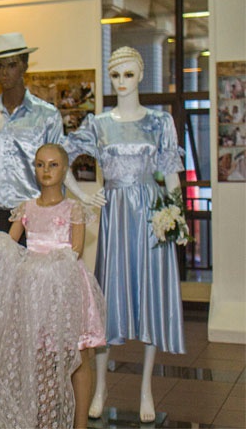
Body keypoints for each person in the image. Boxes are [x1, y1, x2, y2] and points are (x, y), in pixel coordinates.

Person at [62, 46, 186, 423]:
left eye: (128, 74)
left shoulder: (160, 122)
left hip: (151, 216)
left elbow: (172, 173)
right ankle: (101, 388)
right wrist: (83, 193)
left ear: (141, 75)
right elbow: (61, 155)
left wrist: (175, 216)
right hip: (115, 216)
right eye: (116, 75)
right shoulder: (99, 124)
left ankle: (146, 388)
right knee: (110, 300)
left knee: (150, 296)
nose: (122, 82)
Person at [0, 32, 104, 296]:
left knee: (36, 296)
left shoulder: (47, 116)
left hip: (37, 219)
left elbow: (59, 167)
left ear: (24, 64)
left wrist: (62, 216)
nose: (4, 72)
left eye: (11, 64)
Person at [0, 143, 106, 429]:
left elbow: (75, 249)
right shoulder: (26, 207)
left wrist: (46, 265)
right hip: (34, 291)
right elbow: (9, 243)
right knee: (41, 354)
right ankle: (45, 416)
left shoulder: (73, 208)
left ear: (64, 169)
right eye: (40, 164)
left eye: (53, 164)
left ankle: (80, 422)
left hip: (66, 287)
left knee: (78, 352)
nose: (46, 170)